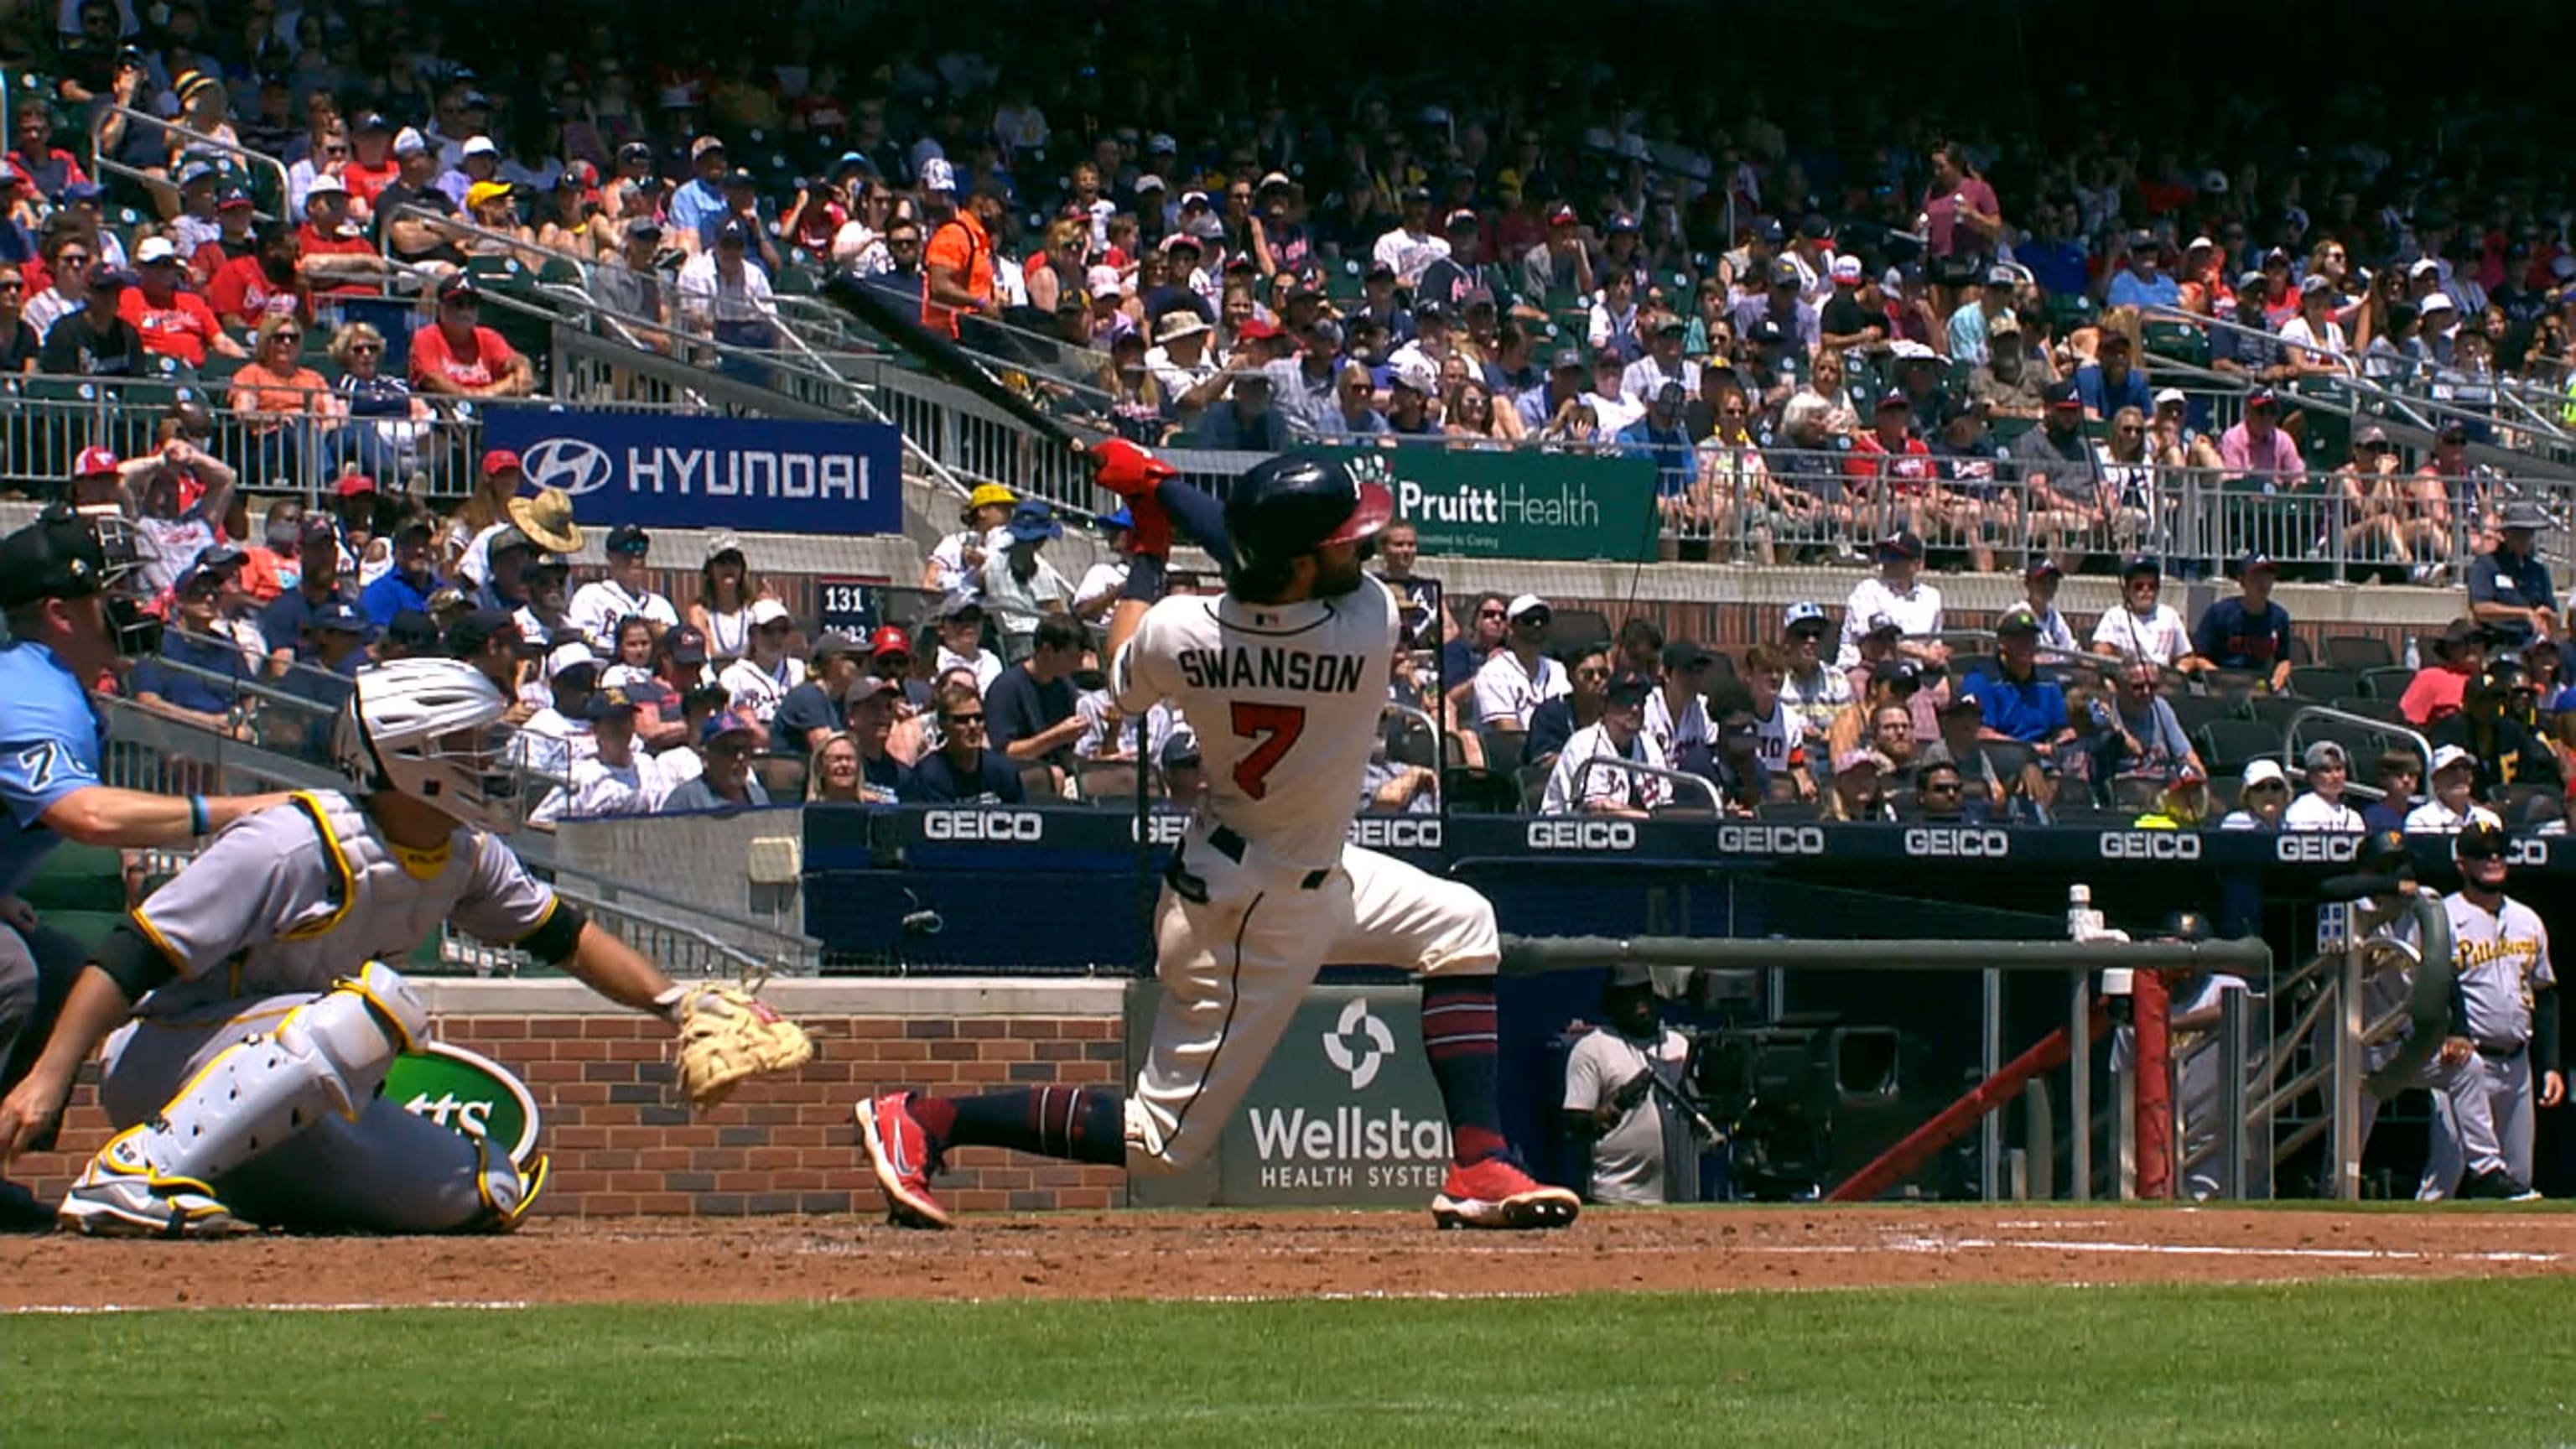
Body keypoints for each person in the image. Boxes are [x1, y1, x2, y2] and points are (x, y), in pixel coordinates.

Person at [859, 444, 1581, 1233]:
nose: (1363, 546)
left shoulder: (1178, 630)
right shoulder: (1368, 619)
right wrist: (1162, 486)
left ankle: (1479, 1163)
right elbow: (1246, 545)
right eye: (1344, 540)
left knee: (1462, 923)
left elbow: (1122, 669)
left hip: (1296, 868)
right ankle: (929, 1117)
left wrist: (1147, 551)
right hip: (1248, 919)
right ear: (1300, 564)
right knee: (1160, 1144)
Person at [0, 658, 810, 1233]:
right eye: (472, 746)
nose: (493, 762)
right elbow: (133, 952)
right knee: (374, 1008)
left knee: (479, 1192)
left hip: (288, 1084)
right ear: (414, 759)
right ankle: (132, 1175)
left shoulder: (465, 850)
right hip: (166, 1064)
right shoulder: (292, 840)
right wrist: (48, 1078)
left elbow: (564, 935)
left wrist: (674, 1002)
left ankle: (208, 1186)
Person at [0, 509, 296, 1225]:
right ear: (59, 613)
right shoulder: (29, 688)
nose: (134, 608)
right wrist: (229, 812)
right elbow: (88, 819)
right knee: (10, 972)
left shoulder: (48, 681)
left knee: (60, 968)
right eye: (112, 594)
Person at [2414, 822, 2559, 1201]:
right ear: (2462, 863)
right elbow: (2428, 988)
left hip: (2517, 1062)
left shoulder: (2527, 919)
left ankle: (2512, 1261)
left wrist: (2552, 1064)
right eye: (2481, 853)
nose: (2493, 859)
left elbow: (2545, 995)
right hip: (2463, 1062)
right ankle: (2414, 1251)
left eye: (2499, 851)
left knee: (2518, 1181)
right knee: (2446, 1175)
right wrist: (2447, 1033)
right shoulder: (2442, 917)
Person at [1560, 963, 1695, 1205]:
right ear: (1612, 1001)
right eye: (1629, 995)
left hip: (1678, 1194)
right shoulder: (1593, 1048)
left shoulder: (1679, 1045)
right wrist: (1620, 1103)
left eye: (1644, 993)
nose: (1640, 1003)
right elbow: (1575, 1125)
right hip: (1616, 1194)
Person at [1540, 672, 1670, 816]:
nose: (1635, 709)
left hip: (1634, 832)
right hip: (1562, 832)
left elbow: (1664, 803)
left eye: (1640, 701)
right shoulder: (1583, 744)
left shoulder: (1649, 746)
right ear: (1604, 705)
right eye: (1625, 701)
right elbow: (1597, 809)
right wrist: (1650, 820)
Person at [901, 681, 1026, 805]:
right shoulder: (928, 775)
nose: (973, 726)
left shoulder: (1003, 771)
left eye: (978, 718)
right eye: (962, 720)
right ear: (942, 725)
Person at [2192, 553, 2293, 692]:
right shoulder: (2220, 613)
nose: (2263, 582)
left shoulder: (2279, 617)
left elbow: (2283, 660)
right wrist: (2222, 679)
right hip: (2221, 685)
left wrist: (2277, 680)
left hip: (2259, 686)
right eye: (2256, 576)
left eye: (2267, 576)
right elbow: (2199, 658)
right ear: (2242, 582)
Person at [568, 524, 681, 645]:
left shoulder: (660, 605)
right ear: (610, 557)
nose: (636, 557)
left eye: (642, 551)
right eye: (628, 551)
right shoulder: (591, 596)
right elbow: (582, 640)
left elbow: (677, 648)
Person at [2467, 500, 2558, 652]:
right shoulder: (2487, 565)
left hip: (2532, 645)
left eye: (2528, 535)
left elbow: (2553, 613)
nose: (2524, 540)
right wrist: (2523, 613)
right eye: (2518, 534)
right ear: (2505, 534)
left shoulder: (2538, 570)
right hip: (2498, 642)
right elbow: (2480, 608)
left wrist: (2548, 617)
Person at [1472, 594, 1570, 730]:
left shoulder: (1557, 670)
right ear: (1511, 627)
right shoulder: (1493, 672)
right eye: (1529, 619)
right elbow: (1508, 732)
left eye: (1543, 619)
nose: (1537, 624)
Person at [2090, 557, 2200, 670]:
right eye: (2139, 586)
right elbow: (2101, 651)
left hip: (2162, 681)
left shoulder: (2170, 616)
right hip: (2126, 679)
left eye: (2152, 586)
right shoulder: (2114, 616)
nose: (2146, 590)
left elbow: (2186, 656)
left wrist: (2179, 671)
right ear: (2127, 590)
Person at [659, 709, 772, 813]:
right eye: (730, 750)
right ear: (705, 757)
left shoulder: (757, 796)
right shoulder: (685, 800)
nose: (740, 757)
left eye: (746, 749)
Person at [2407, 745, 2504, 834]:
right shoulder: (2421, 821)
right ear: (2435, 779)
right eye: (2451, 769)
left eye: (2465, 767)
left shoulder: (2490, 820)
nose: (2460, 775)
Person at [2284, 740, 2366, 831]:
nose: (2335, 776)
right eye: (2326, 770)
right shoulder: (2303, 810)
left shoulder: (2354, 818)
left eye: (2339, 769)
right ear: (2311, 775)